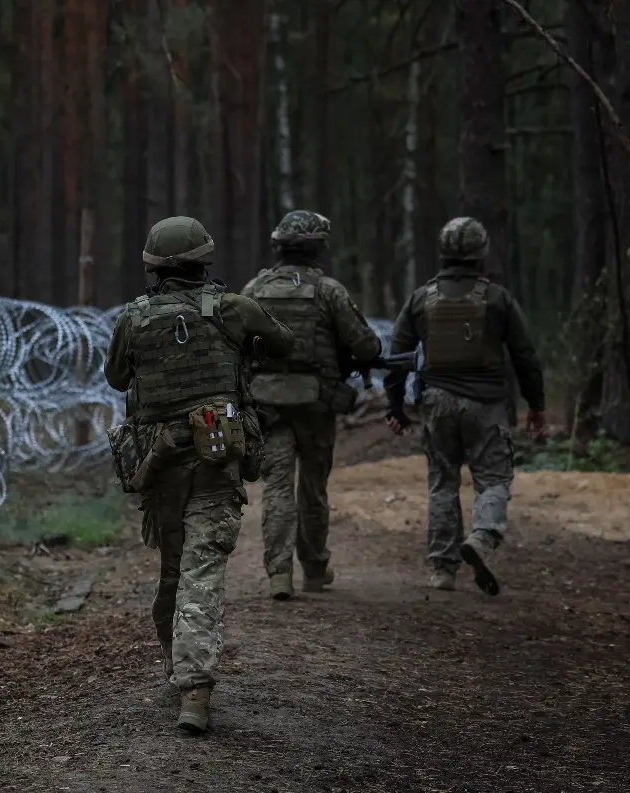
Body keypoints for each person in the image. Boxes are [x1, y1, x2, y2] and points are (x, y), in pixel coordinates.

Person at [104, 216, 293, 734]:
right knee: (201, 572)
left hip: (159, 462)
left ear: (152, 266)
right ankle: (195, 690)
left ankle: (178, 671)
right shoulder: (232, 309)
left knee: (172, 569)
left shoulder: (136, 317)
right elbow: (285, 343)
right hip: (216, 457)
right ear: (204, 259)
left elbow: (116, 376)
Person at [383, 217, 545, 594]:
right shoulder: (497, 298)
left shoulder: (422, 298)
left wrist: (396, 408)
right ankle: (483, 537)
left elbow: (397, 356)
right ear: (481, 253)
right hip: (486, 403)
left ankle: (442, 569)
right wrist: (535, 405)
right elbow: (525, 356)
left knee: (442, 483)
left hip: (437, 404)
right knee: (494, 479)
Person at [241, 211, 381, 600]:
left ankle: (278, 573)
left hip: (268, 405)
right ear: (319, 247)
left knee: (277, 488)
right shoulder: (329, 291)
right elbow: (367, 346)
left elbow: (236, 342)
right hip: (316, 404)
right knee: (313, 489)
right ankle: (315, 570)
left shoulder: (255, 288)